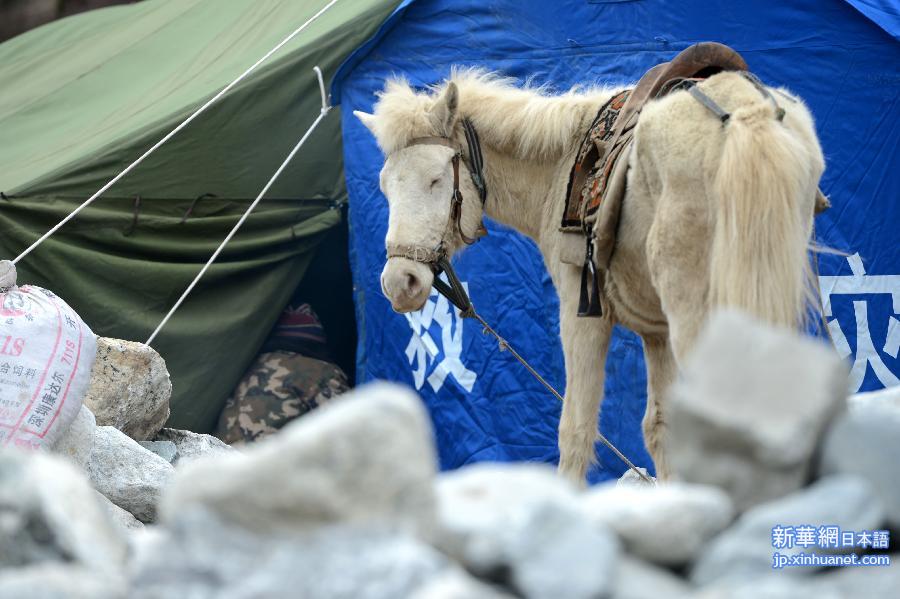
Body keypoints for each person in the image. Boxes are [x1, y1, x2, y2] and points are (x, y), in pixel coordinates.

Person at [214, 303, 349, 444]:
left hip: (219, 461)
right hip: (273, 463)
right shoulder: (318, 371)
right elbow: (348, 425)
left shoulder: (241, 365)